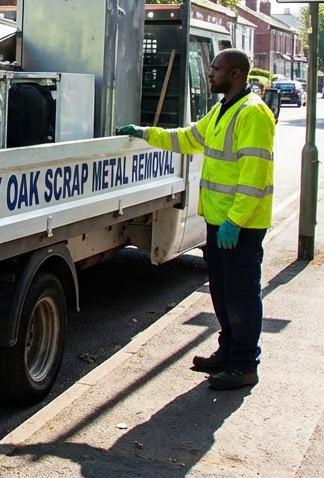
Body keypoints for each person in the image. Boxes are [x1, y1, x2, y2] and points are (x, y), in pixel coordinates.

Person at [117, 48, 275, 390]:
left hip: (241, 227)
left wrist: (235, 221)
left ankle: (245, 365)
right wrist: (144, 133)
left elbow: (254, 174)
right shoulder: (222, 110)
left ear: (235, 74)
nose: (210, 73)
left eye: (216, 69)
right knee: (221, 292)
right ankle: (228, 352)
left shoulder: (253, 115)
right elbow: (188, 139)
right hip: (219, 224)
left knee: (241, 296)